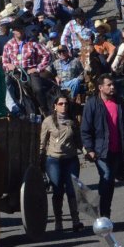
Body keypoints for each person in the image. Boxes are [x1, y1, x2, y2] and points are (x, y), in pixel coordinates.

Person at [81, 73, 124, 220]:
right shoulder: (92, 103)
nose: (112, 87)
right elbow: (85, 128)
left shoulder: (119, 103)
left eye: (113, 84)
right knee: (106, 176)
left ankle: (105, 211)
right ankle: (103, 211)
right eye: (109, 85)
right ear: (100, 88)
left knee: (110, 181)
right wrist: (89, 149)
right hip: (100, 150)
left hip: (117, 150)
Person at [40, 94, 84, 231]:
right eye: (60, 104)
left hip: (71, 160)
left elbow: (79, 141)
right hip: (53, 160)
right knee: (58, 190)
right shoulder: (48, 121)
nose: (63, 106)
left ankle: (75, 221)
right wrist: (39, 159)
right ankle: (58, 221)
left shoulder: (73, 121)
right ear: (55, 106)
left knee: (72, 190)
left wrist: (87, 151)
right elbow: (42, 143)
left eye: (65, 104)